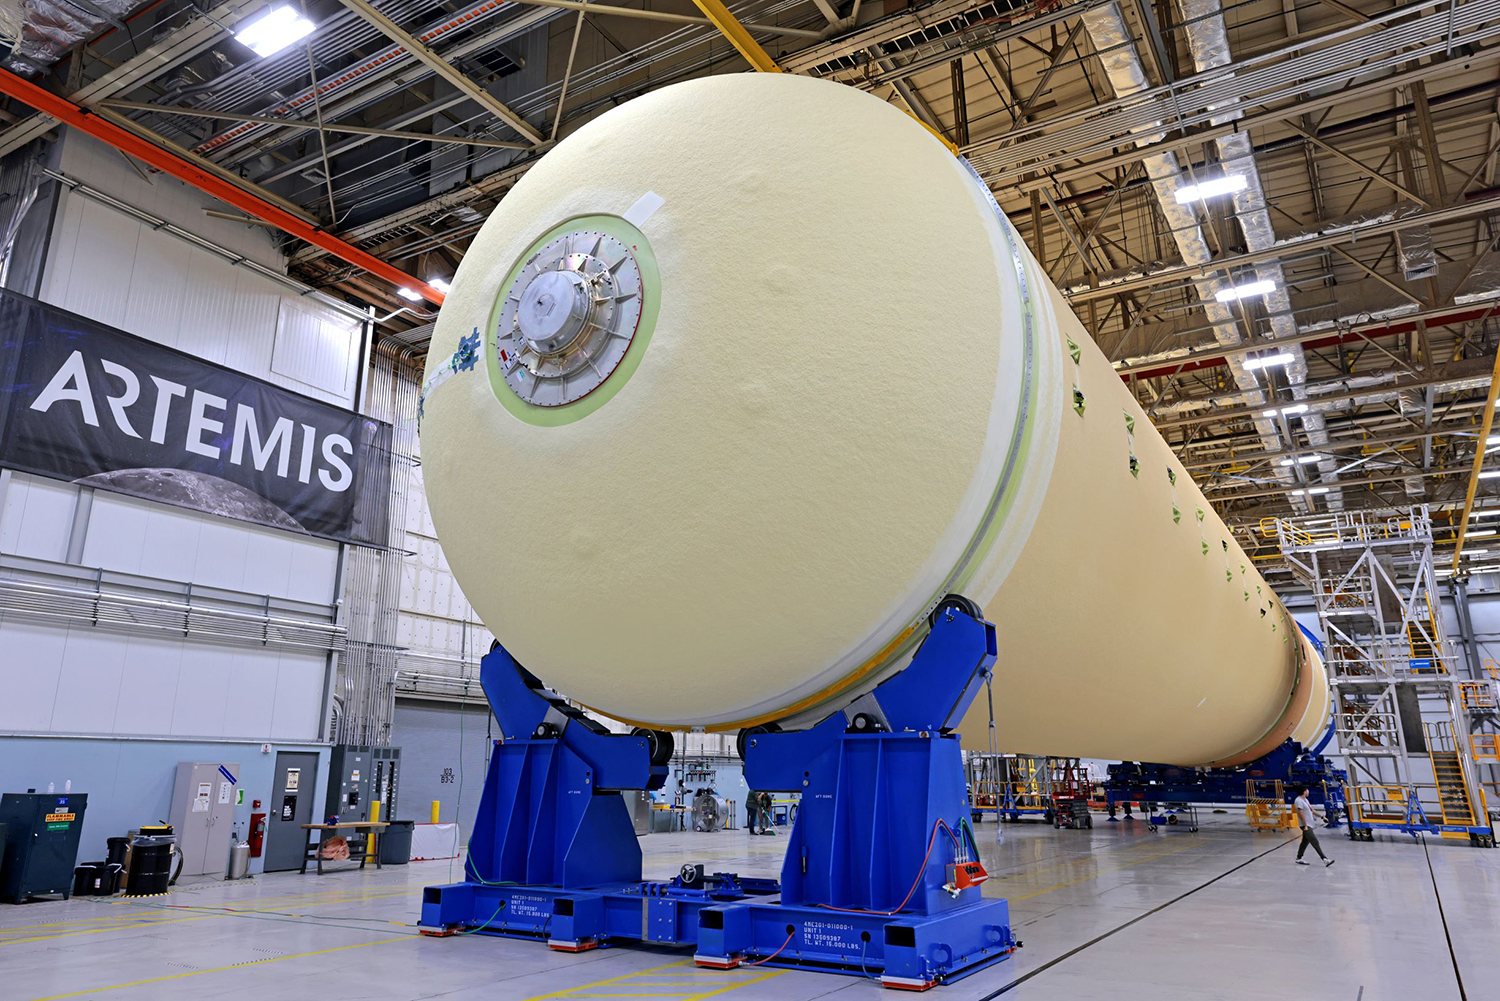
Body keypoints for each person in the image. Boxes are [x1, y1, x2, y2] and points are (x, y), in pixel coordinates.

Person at [1293, 786, 1334, 867]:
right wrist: (1305, 825)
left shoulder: (1305, 800)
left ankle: (1299, 858)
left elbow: (1312, 810)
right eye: (1307, 790)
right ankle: (1325, 859)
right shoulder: (1298, 801)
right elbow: (1301, 814)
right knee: (1314, 841)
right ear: (1304, 791)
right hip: (1305, 825)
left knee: (1305, 842)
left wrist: (1322, 817)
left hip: (1309, 824)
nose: (1308, 791)